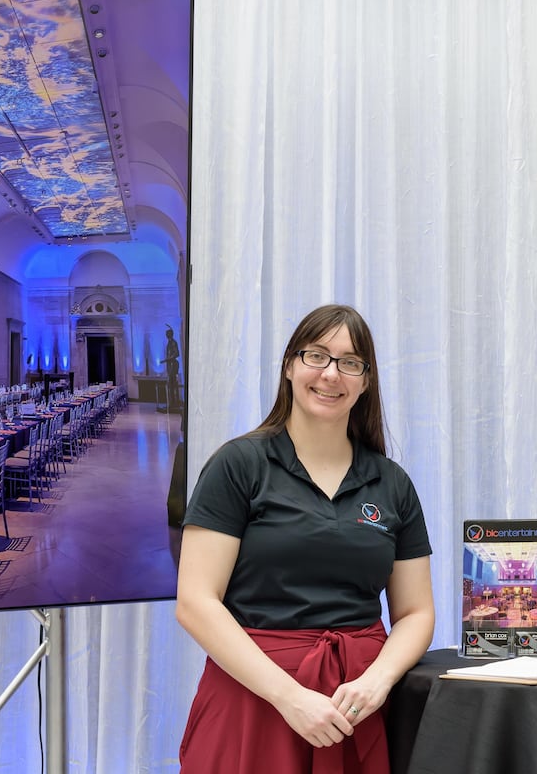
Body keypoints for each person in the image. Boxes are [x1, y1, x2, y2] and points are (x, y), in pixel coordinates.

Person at [175, 304, 435, 773]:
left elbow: (416, 612)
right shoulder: (239, 465)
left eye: (350, 362)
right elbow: (195, 602)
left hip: (356, 709)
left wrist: (377, 682)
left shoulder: (391, 483)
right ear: (290, 366)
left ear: (366, 381)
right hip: (255, 699)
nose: (331, 374)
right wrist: (290, 697)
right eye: (316, 355)